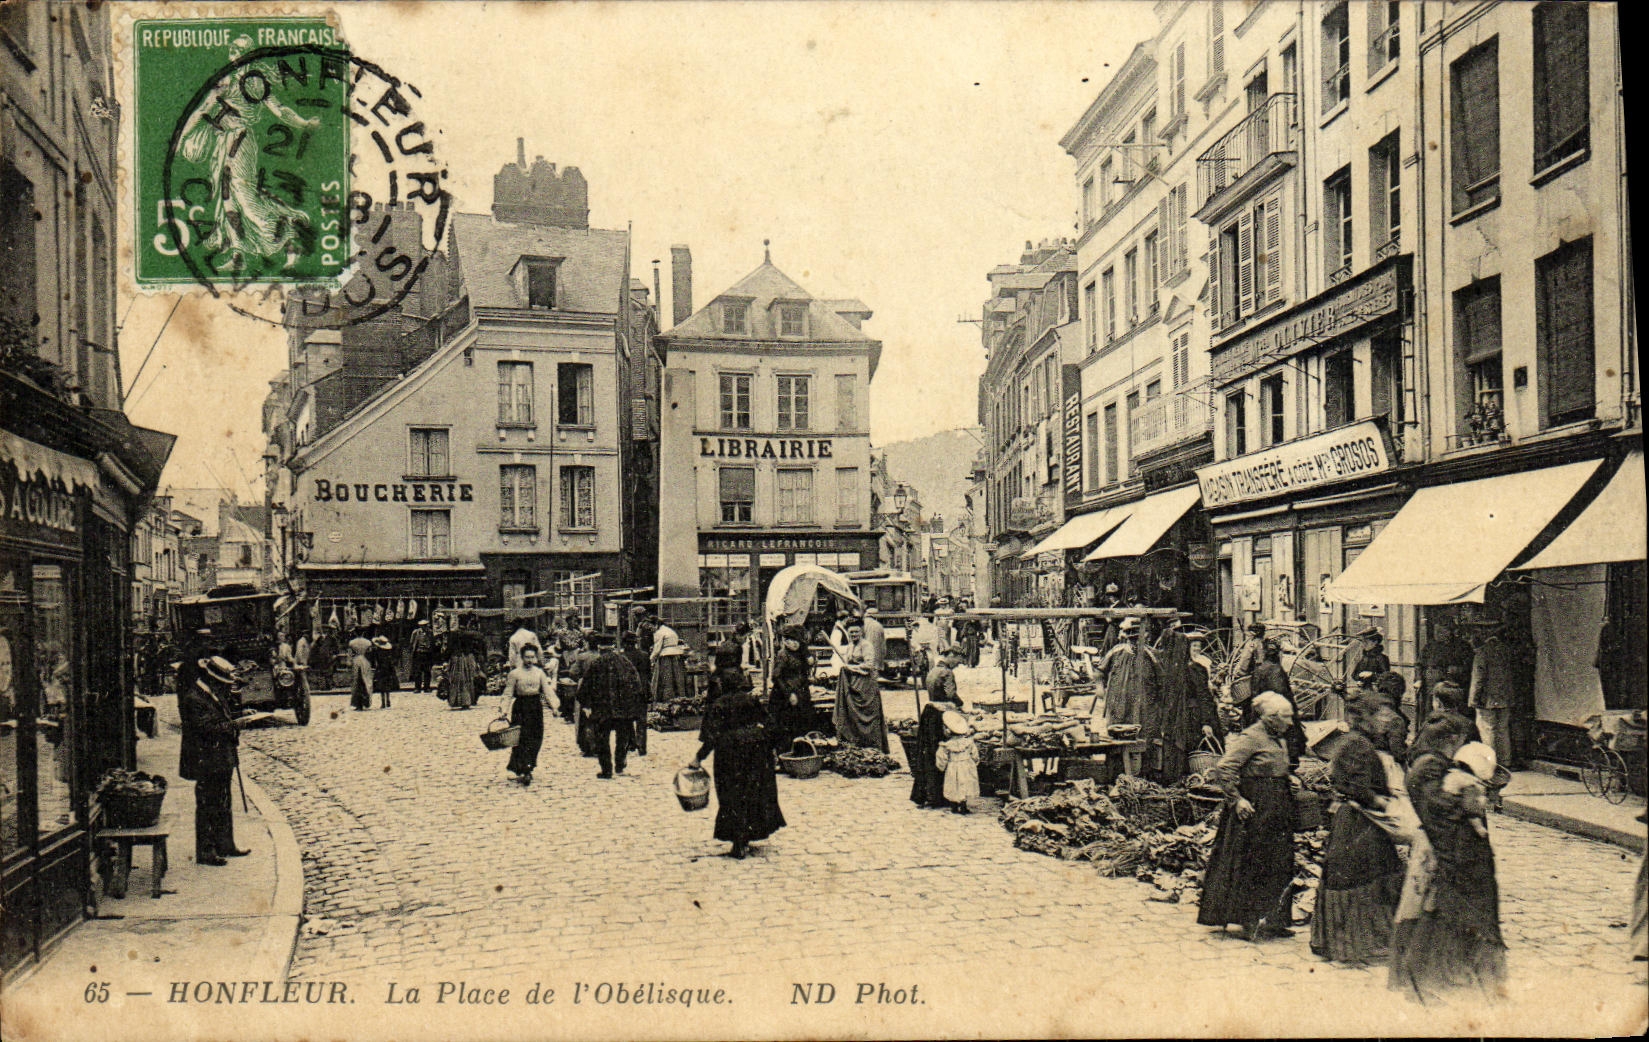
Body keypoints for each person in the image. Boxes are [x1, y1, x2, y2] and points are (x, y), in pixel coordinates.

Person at [1390, 740, 1508, 1002]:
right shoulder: (1465, 792)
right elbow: (1473, 814)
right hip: (1463, 866)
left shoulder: (1443, 788)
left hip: (1450, 864)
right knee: (1458, 919)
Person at [1310, 697, 1407, 965]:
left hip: (1354, 819)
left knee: (1365, 872)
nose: (1385, 722)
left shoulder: (1356, 743)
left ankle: (1350, 940)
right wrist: (1381, 802)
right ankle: (1362, 943)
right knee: (1363, 875)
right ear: (1366, 718)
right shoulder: (1358, 746)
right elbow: (1357, 786)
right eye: (1381, 716)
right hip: (1359, 822)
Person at [1197, 692, 1299, 942]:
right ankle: (1249, 920)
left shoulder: (1279, 739)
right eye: (1287, 717)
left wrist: (1289, 779)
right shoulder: (1251, 737)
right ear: (1272, 718)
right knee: (1254, 862)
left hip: (1278, 807)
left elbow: (1276, 767)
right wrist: (1237, 799)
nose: (1291, 722)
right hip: (1255, 808)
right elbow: (1225, 767)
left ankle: (1276, 919)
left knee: (1280, 861)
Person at [690, 666, 786, 860]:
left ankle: (738, 840)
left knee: (731, 794)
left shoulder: (719, 704)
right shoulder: (752, 701)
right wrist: (766, 743)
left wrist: (698, 758)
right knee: (752, 792)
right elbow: (771, 725)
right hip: (755, 752)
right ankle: (749, 834)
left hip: (729, 752)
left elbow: (711, 736)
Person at [179, 657, 252, 865]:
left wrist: (239, 715)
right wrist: (235, 725)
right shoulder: (194, 698)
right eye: (221, 683)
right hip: (206, 760)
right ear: (211, 679)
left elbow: (220, 717)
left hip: (220, 758)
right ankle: (206, 851)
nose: (225, 688)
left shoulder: (212, 694)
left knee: (224, 801)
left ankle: (225, 844)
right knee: (208, 804)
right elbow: (206, 729)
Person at [576, 638, 647, 779]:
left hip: (602, 710)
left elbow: (585, 686)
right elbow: (636, 684)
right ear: (614, 647)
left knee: (602, 739)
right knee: (622, 737)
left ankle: (606, 769)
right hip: (623, 709)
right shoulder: (625, 662)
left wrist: (586, 704)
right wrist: (634, 704)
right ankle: (620, 764)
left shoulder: (596, 663)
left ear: (600, 648)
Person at [910, 646, 965, 809]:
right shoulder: (947, 673)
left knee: (928, 754)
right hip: (941, 714)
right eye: (958, 661)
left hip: (929, 712)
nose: (957, 665)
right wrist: (960, 704)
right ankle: (939, 795)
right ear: (951, 655)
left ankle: (927, 794)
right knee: (941, 755)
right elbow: (950, 694)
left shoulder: (933, 670)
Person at [500, 645, 557, 786]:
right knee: (521, 738)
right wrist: (503, 710)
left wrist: (554, 706)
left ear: (536, 658)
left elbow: (547, 691)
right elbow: (508, 693)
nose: (530, 660)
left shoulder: (539, 673)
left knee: (536, 737)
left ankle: (528, 765)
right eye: (527, 657)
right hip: (521, 707)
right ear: (522, 657)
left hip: (535, 707)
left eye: (532, 657)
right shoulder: (515, 674)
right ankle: (525, 769)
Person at [832, 619, 888, 752]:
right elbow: (848, 662)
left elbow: (869, 666)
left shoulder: (867, 645)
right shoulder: (851, 645)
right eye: (851, 632)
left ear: (861, 632)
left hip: (866, 687)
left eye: (856, 631)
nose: (854, 634)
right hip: (853, 685)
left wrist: (850, 668)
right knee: (853, 717)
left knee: (868, 716)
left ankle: (872, 746)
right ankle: (857, 743)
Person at [1100, 617, 1158, 732]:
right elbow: (1100, 671)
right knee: (1117, 733)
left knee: (1142, 734)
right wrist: (1099, 687)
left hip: (1143, 704)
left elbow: (1161, 678)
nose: (1134, 642)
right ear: (1126, 637)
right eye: (1131, 638)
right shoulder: (1116, 651)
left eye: (1137, 638)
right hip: (1118, 702)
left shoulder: (1151, 654)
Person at [1469, 626, 1516, 767]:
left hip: (1487, 699)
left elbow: (1478, 678)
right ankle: (1505, 762)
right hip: (1506, 697)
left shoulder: (1482, 653)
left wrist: (1473, 699)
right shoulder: (1506, 650)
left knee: (1487, 729)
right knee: (1503, 729)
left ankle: (1490, 763)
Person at [768, 626, 815, 756]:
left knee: (801, 724)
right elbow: (776, 677)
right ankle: (785, 756)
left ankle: (799, 755)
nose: (793, 643)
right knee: (785, 726)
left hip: (800, 692)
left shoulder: (801, 652)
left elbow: (806, 667)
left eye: (796, 640)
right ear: (785, 641)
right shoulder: (783, 655)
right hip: (784, 695)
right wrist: (789, 694)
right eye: (790, 640)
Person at [1420, 621, 1475, 722]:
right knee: (1431, 715)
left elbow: (1470, 667)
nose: (1436, 634)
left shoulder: (1462, 646)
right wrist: (1418, 679)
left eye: (1440, 631)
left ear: (1449, 632)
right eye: (1435, 631)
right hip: (1431, 687)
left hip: (1452, 687)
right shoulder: (1429, 646)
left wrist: (1458, 670)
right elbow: (1420, 664)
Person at [935, 710, 981, 814]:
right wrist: (974, 762)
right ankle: (963, 806)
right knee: (965, 784)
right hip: (966, 766)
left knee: (953, 784)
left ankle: (954, 806)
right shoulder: (968, 743)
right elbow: (975, 754)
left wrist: (941, 766)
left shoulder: (947, 745)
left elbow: (941, 757)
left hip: (953, 766)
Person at [621, 632, 654, 756]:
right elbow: (648, 673)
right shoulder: (644, 655)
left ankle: (631, 743)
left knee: (627, 718)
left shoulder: (621, 657)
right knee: (641, 719)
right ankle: (642, 747)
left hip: (627, 690)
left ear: (624, 643)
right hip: (642, 690)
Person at [649, 616, 689, 711]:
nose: (651, 629)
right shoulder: (670, 631)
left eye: (652, 626)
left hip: (666, 656)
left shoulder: (659, 633)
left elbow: (657, 649)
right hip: (676, 655)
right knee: (677, 678)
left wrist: (651, 659)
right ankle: (679, 699)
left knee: (666, 679)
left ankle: (666, 702)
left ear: (656, 624)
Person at [408, 620, 435, 693]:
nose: (424, 627)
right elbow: (411, 642)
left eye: (425, 625)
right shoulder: (415, 632)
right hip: (418, 653)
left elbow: (433, 642)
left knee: (427, 671)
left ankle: (427, 687)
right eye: (422, 626)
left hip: (427, 653)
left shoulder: (430, 632)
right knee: (417, 671)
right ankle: (417, 687)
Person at [370, 635, 397, 708]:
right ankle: (388, 700)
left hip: (381, 669)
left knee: (382, 686)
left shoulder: (378, 652)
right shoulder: (389, 652)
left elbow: (376, 662)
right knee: (387, 685)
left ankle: (383, 702)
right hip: (388, 669)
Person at [349, 640, 374, 711]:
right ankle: (364, 702)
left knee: (356, 681)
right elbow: (370, 653)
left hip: (356, 661)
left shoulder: (352, 643)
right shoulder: (367, 642)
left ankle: (358, 703)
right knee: (365, 681)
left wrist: (350, 661)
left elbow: (350, 654)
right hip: (365, 661)